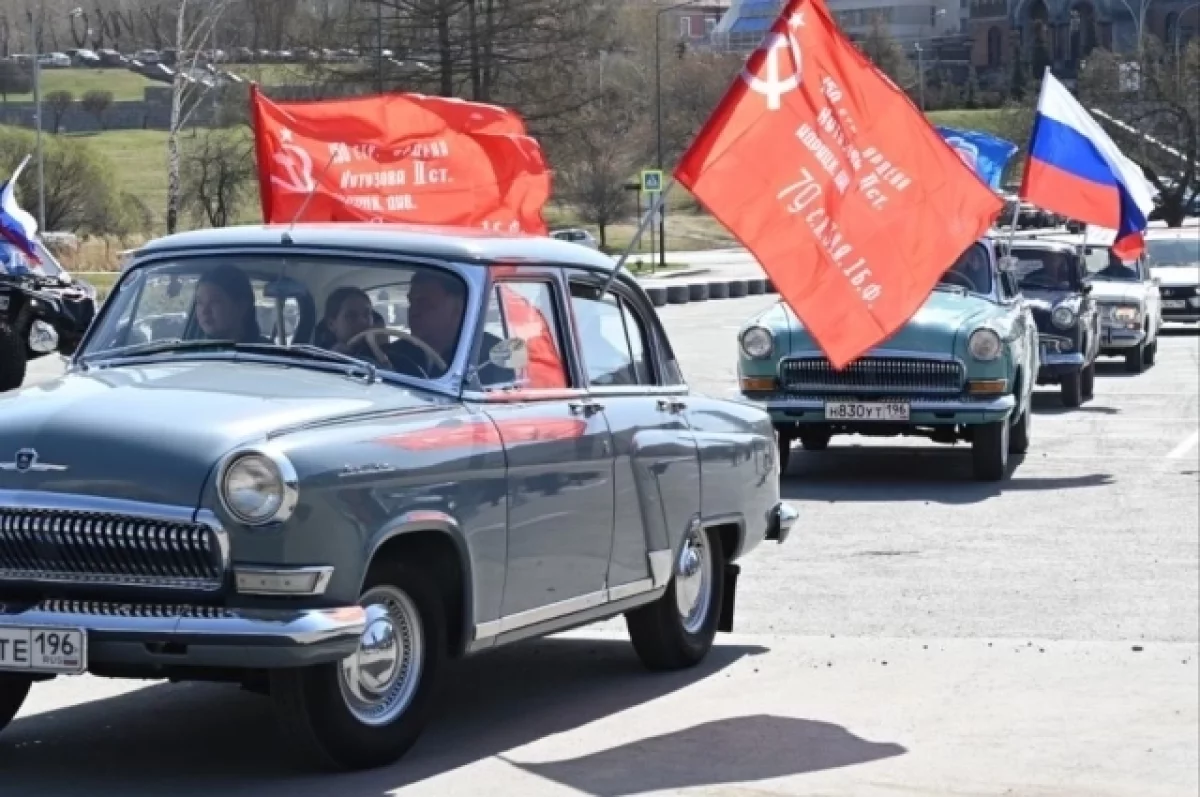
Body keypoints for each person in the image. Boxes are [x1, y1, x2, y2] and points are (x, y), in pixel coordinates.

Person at [194, 264, 266, 343]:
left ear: (242, 306)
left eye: (215, 301)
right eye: (199, 302)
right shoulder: (193, 351)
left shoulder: (265, 352)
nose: (205, 311)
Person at [316, 286, 381, 353]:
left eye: (367, 314)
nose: (363, 322)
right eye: (351, 316)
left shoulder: (385, 352)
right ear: (331, 324)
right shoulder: (317, 358)